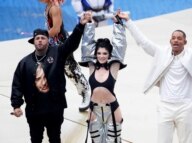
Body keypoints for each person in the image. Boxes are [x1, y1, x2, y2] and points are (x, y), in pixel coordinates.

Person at [118, 12, 192, 143]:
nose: (176, 40)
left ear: (185, 42)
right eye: (173, 38)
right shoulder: (161, 53)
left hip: (185, 107)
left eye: (179, 38)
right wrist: (128, 22)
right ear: (170, 41)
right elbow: (143, 42)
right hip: (165, 107)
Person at [10, 12, 92, 143]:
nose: (40, 40)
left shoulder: (58, 53)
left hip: (54, 109)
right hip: (34, 111)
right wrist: (16, 105)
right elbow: (17, 85)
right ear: (33, 41)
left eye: (43, 38)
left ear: (48, 40)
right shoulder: (24, 63)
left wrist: (80, 26)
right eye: (37, 38)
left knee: (55, 139)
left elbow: (71, 44)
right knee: (35, 140)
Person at [79, 11, 126, 142]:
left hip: (112, 109)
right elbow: (87, 45)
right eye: (99, 53)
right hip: (94, 110)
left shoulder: (114, 67)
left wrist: (117, 23)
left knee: (113, 141)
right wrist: (89, 24)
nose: (101, 56)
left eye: (105, 53)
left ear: (109, 55)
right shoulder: (92, 67)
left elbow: (120, 48)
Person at [39, 0, 90, 112]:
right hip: (52, 43)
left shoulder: (54, 8)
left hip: (61, 43)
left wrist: (42, 38)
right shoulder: (49, 6)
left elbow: (56, 29)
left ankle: (86, 92)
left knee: (71, 71)